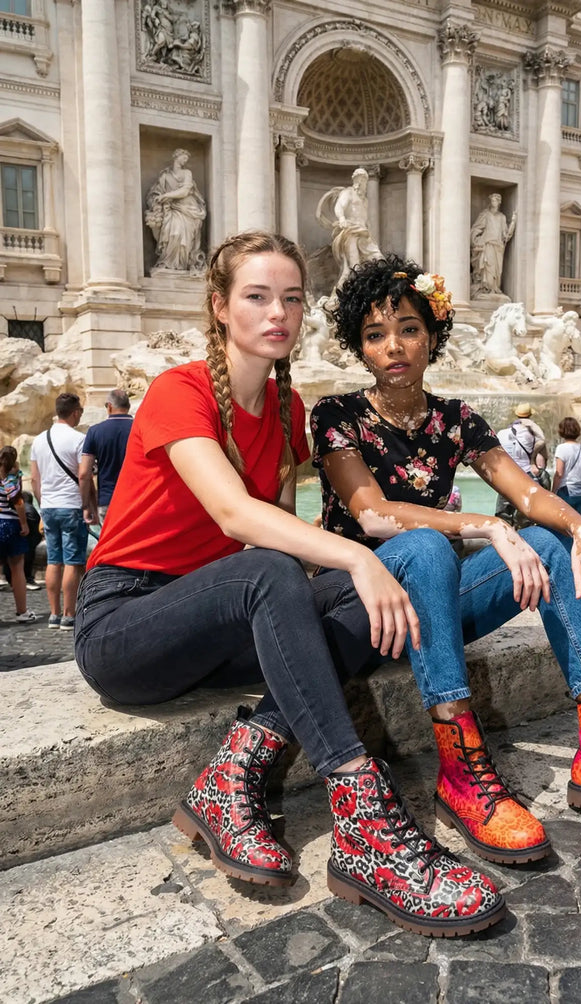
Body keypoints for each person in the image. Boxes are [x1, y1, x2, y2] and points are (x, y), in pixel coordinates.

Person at [73, 231, 505, 938]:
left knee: (367, 596)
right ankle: (364, 818)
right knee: (314, 570)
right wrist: (358, 556)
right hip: (126, 625)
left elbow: (273, 539)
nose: (278, 311)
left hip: (218, 620)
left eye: (293, 298)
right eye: (257, 296)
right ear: (220, 307)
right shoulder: (176, 391)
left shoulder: (286, 414)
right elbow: (235, 516)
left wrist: (370, 572)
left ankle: (231, 778)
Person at [311, 254, 581, 866]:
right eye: (375, 334)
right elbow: (371, 514)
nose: (393, 346)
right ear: (358, 346)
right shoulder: (336, 415)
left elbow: (527, 493)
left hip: (432, 610)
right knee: (422, 545)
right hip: (362, 610)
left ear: (433, 335)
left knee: (550, 542)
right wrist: (486, 526)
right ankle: (461, 771)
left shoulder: (456, 419)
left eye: (409, 329)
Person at [30, 393, 88, 630]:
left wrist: (43, 505)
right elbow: (84, 475)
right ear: (75, 412)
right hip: (71, 505)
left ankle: (53, 615)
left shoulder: (39, 440)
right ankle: (69, 614)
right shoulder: (79, 439)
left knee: (54, 560)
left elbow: (34, 479)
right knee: (73, 562)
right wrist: (86, 505)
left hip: (49, 506)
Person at [318, 168, 382, 291]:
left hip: (364, 234)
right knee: (354, 268)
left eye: (365, 180)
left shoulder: (365, 200)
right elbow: (339, 207)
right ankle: (342, 298)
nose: (364, 183)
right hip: (351, 232)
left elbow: (365, 218)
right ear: (356, 180)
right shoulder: (348, 193)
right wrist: (342, 219)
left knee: (379, 260)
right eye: (361, 179)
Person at [144, 148, 207, 273]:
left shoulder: (187, 173)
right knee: (170, 232)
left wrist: (166, 196)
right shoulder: (165, 175)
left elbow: (185, 191)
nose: (185, 161)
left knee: (181, 235)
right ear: (176, 157)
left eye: (186, 159)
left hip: (187, 208)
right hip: (170, 209)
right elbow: (156, 192)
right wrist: (157, 200)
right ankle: (167, 262)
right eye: (183, 158)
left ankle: (182, 265)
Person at [79, 388, 133, 527]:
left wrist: (86, 506)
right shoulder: (140, 428)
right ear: (128, 406)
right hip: (137, 499)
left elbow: (84, 473)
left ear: (109, 406)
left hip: (108, 500)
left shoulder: (95, 431)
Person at [495, 403, 548, 527]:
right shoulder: (531, 435)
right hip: (525, 475)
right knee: (524, 518)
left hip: (506, 477)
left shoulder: (502, 433)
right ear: (530, 416)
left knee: (503, 517)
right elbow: (543, 445)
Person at [0, 446, 35, 623]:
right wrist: (23, 523)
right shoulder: (11, 477)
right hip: (10, 524)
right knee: (17, 568)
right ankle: (22, 612)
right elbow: (18, 502)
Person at [470, 193, 517, 296]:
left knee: (497, 271)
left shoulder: (502, 217)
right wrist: (475, 240)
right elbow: (476, 228)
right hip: (488, 245)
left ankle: (494, 288)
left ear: (499, 203)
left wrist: (513, 223)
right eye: (492, 200)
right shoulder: (485, 214)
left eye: (495, 200)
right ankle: (485, 288)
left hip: (498, 247)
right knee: (487, 268)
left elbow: (505, 234)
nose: (493, 202)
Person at [552, 417, 581, 515]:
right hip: (580, 492)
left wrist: (553, 491)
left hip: (566, 491)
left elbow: (559, 473)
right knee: (577, 523)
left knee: (563, 524)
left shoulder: (561, 448)